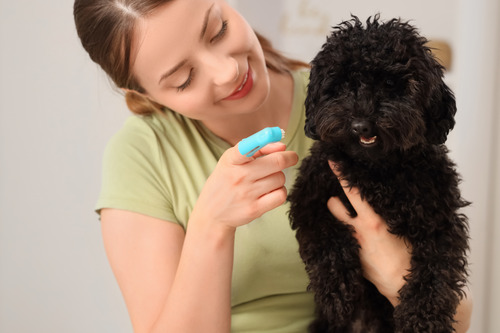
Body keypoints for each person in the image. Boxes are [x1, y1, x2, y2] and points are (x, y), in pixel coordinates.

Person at [73, 0, 473, 332]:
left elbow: (459, 314)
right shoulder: (143, 154)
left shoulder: (344, 94)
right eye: (184, 78)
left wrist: (398, 277)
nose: (227, 71)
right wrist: (211, 225)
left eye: (218, 30)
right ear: (142, 91)